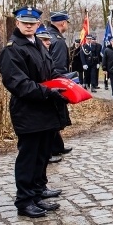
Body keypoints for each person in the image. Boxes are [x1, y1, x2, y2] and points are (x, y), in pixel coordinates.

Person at [0, 6, 69, 218]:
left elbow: (50, 70)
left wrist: (64, 81)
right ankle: (25, 200)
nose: (29, 26)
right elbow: (18, 83)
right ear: (17, 23)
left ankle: (37, 193)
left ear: (39, 24)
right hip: (28, 111)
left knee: (42, 155)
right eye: (24, 22)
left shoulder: (37, 44)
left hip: (45, 110)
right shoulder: (12, 49)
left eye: (33, 23)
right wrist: (48, 91)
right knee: (28, 158)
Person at [47, 10, 73, 157]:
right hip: (55, 82)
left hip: (49, 83)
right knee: (54, 116)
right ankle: (51, 149)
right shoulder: (57, 40)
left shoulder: (48, 35)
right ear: (63, 23)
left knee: (54, 116)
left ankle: (57, 146)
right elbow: (58, 66)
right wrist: (63, 84)